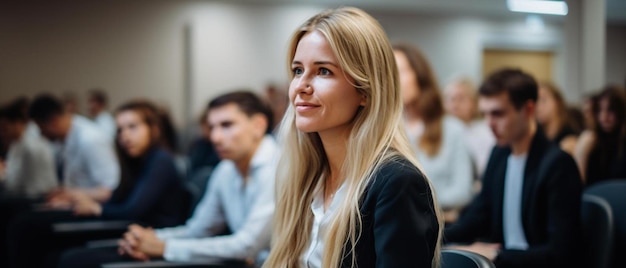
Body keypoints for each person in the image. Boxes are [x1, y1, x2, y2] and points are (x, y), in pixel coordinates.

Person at [264, 7, 441, 268]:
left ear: (366, 92)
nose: (301, 85)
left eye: (324, 71)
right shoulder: (306, 177)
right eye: (298, 70)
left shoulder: (397, 183)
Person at [59, 91, 279, 268]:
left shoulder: (277, 167)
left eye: (227, 125)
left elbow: (247, 245)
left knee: (77, 260)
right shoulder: (225, 169)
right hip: (241, 260)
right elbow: (198, 229)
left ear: (258, 125)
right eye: (212, 127)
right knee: (72, 258)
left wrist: (165, 247)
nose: (215, 137)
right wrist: (149, 238)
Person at [7, 100, 187, 268]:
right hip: (129, 230)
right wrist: (83, 203)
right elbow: (118, 199)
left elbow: (133, 210)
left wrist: (96, 208)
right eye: (120, 130)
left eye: (132, 127)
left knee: (62, 254)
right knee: (48, 250)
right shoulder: (136, 162)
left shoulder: (160, 160)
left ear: (153, 129)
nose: (125, 135)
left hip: (149, 237)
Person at [444, 68, 583, 268]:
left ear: (528, 110)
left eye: (498, 114)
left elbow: (561, 252)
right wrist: (435, 237)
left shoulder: (557, 164)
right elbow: (479, 214)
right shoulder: (499, 155)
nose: (489, 123)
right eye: (485, 114)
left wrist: (496, 254)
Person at [393, 43, 474, 222]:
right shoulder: (387, 131)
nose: (393, 79)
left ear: (419, 75)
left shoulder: (452, 129)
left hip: (441, 230)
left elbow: (462, 191)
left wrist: (414, 201)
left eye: (400, 71)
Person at [28, 93, 120, 204]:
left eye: (41, 128)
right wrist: (64, 192)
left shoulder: (90, 139)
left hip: (93, 209)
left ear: (53, 121)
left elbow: (108, 191)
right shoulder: (66, 137)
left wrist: (71, 194)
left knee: (25, 220)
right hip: (76, 202)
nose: (41, 134)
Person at [0, 97, 58, 197]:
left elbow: (19, 184)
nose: (2, 133)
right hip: (25, 193)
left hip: (37, 196)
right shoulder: (17, 144)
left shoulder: (31, 146)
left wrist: (3, 174)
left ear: (18, 124)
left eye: (4, 127)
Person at [443, 76, 496, 179]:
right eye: (450, 99)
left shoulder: (487, 133)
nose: (455, 105)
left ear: (475, 103)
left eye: (461, 99)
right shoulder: (434, 135)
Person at [574, 85, 626, 185]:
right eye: (600, 111)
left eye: (611, 110)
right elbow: (578, 184)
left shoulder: (622, 144)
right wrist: (582, 151)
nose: (604, 117)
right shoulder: (591, 141)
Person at [535, 82, 578, 154]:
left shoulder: (569, 135)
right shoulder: (537, 135)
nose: (538, 106)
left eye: (543, 100)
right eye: (535, 101)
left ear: (557, 102)